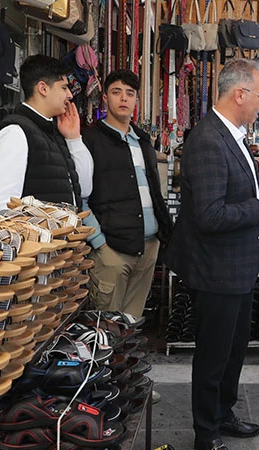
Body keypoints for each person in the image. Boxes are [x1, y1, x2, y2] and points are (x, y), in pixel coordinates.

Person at [163, 59, 259, 450]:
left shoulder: (230, 134)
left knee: (233, 350)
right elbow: (210, 215)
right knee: (214, 357)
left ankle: (222, 414)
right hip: (216, 269)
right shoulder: (208, 139)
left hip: (237, 267)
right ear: (239, 94)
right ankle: (205, 434)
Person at [81, 69, 173, 318]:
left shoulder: (142, 140)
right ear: (105, 98)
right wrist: (99, 243)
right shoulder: (89, 140)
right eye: (116, 92)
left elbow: (154, 191)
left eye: (130, 93)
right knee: (105, 325)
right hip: (112, 251)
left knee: (130, 324)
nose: (123, 98)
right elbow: (79, 197)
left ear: (136, 100)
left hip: (147, 247)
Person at [0, 54, 93, 211]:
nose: (69, 95)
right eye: (64, 87)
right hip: (35, 236)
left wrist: (74, 138)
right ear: (43, 88)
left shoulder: (55, 131)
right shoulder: (15, 133)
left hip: (59, 236)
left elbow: (84, 188)